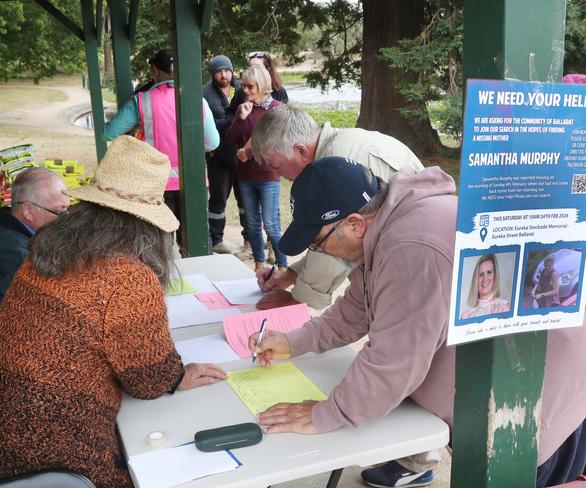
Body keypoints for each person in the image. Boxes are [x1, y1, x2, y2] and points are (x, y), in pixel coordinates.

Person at [250, 157, 586, 488]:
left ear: (354, 224)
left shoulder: (411, 246)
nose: (319, 251)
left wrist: (324, 414)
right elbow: (358, 308)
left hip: (531, 399)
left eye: (318, 242)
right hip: (493, 382)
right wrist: (295, 341)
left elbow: (394, 362)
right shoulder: (390, 227)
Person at [0, 136, 227, 488]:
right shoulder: (128, 277)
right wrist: (176, 376)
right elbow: (148, 380)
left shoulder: (45, 248)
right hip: (47, 459)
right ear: (149, 226)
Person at [251, 104, 424, 310]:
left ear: (300, 150)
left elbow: (335, 247)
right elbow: (326, 239)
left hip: (414, 269)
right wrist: (292, 273)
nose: (277, 175)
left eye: (276, 166)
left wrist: (295, 300)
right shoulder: (339, 148)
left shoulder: (335, 163)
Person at [103, 48, 220, 254]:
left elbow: (110, 133)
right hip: (194, 182)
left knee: (159, 243)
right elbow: (213, 143)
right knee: (197, 241)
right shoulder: (197, 101)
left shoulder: (142, 100)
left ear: (155, 70)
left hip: (156, 183)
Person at [0, 167, 69, 370]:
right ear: (28, 210)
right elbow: (33, 328)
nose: (66, 220)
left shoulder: (8, 228)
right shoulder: (11, 255)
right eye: (60, 212)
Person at [225, 65, 287, 272]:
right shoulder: (244, 108)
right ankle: (259, 264)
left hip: (268, 175)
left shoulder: (276, 109)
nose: (246, 90)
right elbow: (230, 139)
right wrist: (240, 118)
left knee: (271, 224)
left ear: (262, 86)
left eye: (250, 86)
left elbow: (277, 142)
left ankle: (283, 265)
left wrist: (248, 153)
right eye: (243, 86)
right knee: (252, 224)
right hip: (245, 176)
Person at [202, 54, 247, 254]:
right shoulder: (204, 93)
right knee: (218, 198)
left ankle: (250, 238)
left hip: (242, 155)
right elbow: (206, 124)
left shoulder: (242, 89)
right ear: (213, 73)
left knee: (245, 198)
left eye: (227, 70)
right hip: (218, 156)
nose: (224, 75)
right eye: (219, 71)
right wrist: (232, 118)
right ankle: (216, 239)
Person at [460, 254, 511, 319]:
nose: (485, 279)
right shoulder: (465, 316)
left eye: (489, 272)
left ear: (495, 276)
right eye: (481, 275)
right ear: (475, 279)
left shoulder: (503, 307)